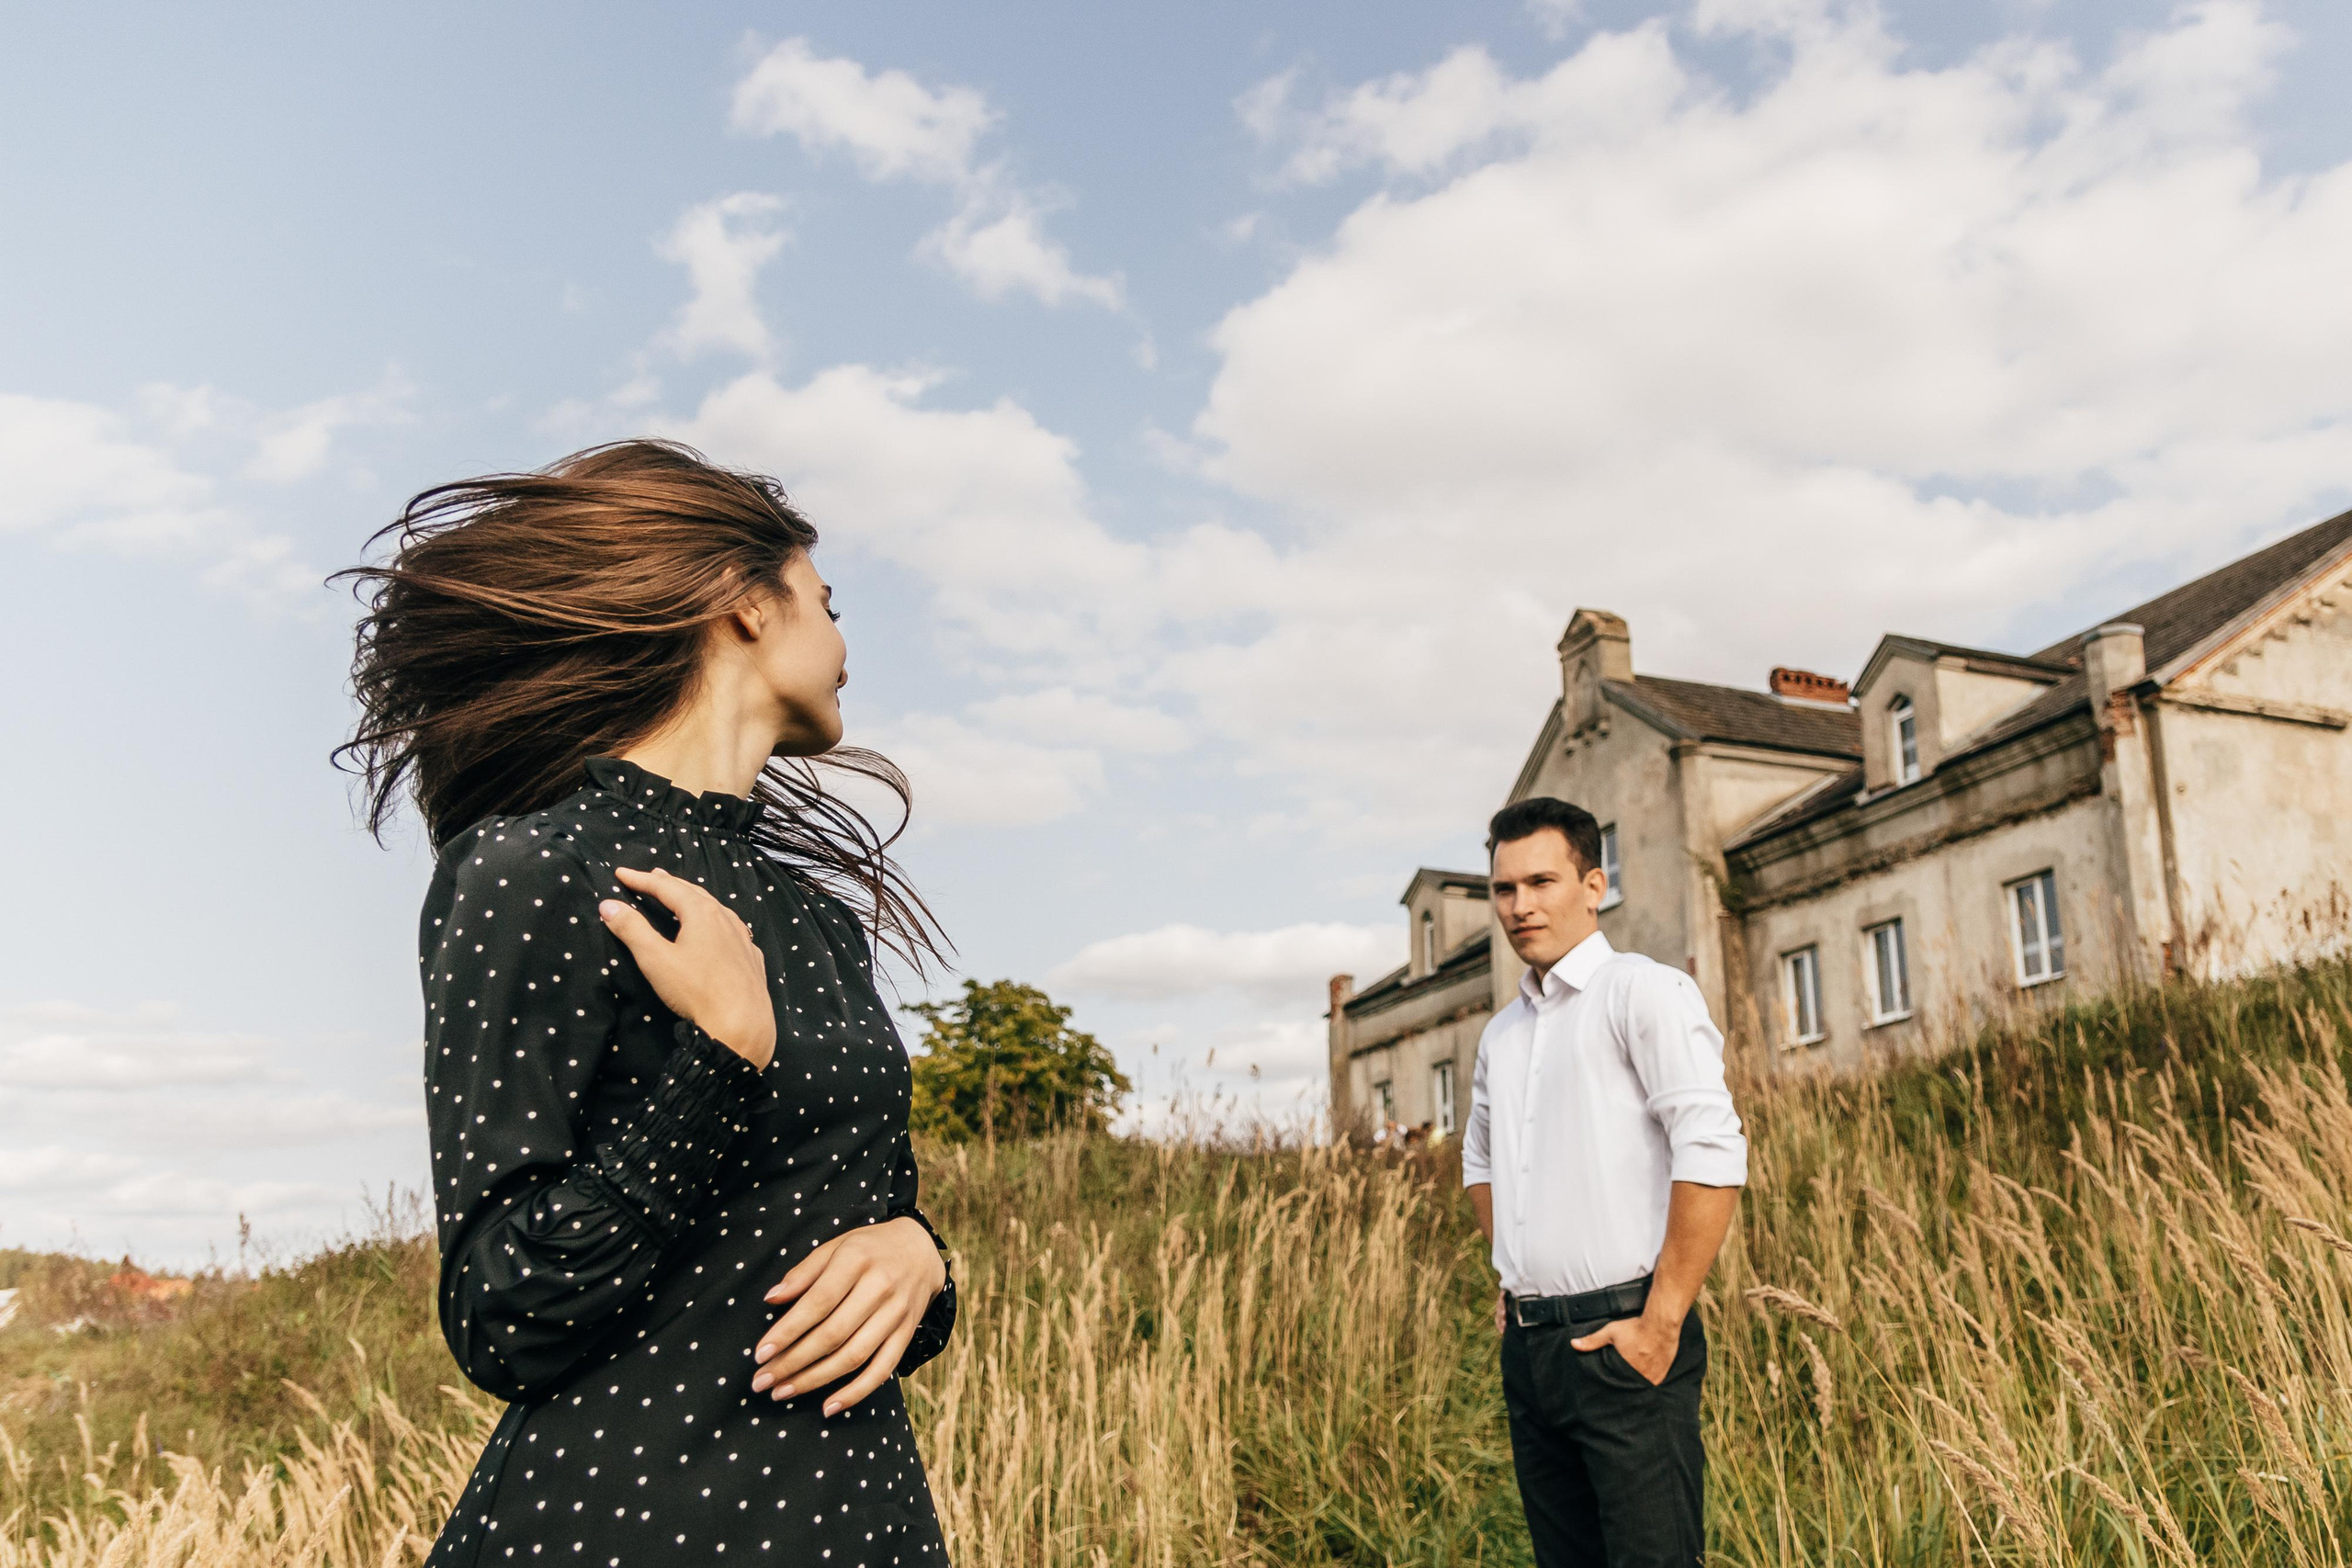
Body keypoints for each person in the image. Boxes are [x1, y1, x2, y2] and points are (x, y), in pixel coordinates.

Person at [336, 440, 958, 1566]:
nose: (848, 641)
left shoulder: (814, 920)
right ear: (744, 605)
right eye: (828, 599)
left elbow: (833, 1220)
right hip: (632, 1524)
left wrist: (920, 1260)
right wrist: (720, 1058)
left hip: (855, 1523)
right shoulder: (534, 867)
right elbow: (501, 1315)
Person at [1461, 797, 1747, 1568]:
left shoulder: (1641, 992)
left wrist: (1662, 1322)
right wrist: (1517, 1270)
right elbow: (1482, 1164)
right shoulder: (1502, 1033)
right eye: (1504, 888)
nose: (1520, 906)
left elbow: (1712, 1150)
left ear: (1594, 884)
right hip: (1531, 1352)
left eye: (1541, 881)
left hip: (1626, 1343)